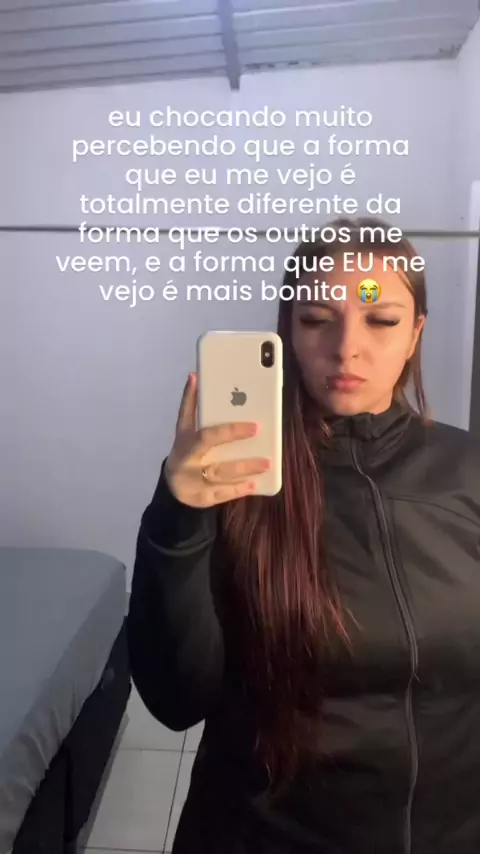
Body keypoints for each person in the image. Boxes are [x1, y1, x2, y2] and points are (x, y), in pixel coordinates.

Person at [127, 216, 480, 854]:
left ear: (415, 333)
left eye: (381, 320)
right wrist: (178, 520)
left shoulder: (467, 470)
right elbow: (176, 700)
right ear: (287, 330)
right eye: (317, 319)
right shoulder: (235, 480)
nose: (347, 348)